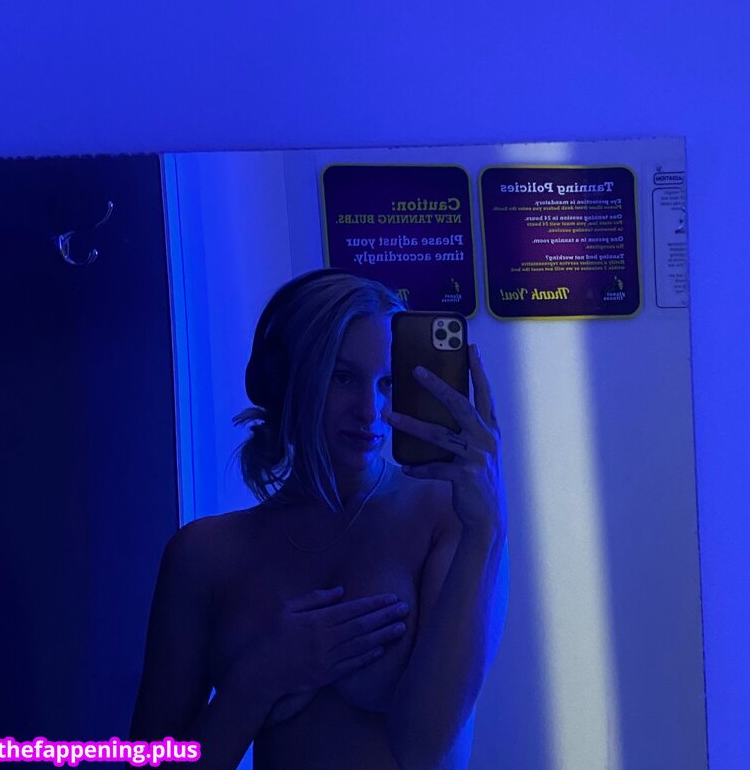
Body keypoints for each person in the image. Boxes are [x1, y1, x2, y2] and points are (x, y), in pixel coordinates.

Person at [129, 269, 509, 770]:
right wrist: (258, 681)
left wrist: (487, 530)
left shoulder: (452, 516)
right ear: (285, 380)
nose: (370, 410)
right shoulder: (203, 553)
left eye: (388, 383)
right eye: (341, 376)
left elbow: (426, 753)